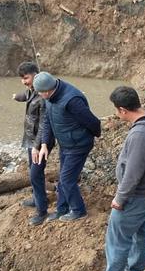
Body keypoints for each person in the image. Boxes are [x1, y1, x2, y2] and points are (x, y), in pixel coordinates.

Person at [100, 86, 145, 271]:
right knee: (140, 230)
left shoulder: (140, 134)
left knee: (117, 241)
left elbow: (133, 173)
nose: (115, 114)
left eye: (115, 110)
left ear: (123, 110)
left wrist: (120, 198)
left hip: (136, 196)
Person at [34, 72, 101, 222]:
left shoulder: (72, 100)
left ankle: (78, 210)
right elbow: (47, 120)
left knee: (66, 179)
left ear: (47, 90)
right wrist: (44, 144)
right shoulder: (50, 97)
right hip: (65, 144)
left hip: (78, 145)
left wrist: (90, 137)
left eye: (39, 92)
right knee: (63, 178)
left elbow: (93, 122)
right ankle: (61, 209)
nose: (38, 95)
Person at [13, 62, 49, 225]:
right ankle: (36, 198)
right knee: (33, 171)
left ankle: (42, 211)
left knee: (35, 174)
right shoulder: (32, 91)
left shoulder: (43, 96)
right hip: (29, 140)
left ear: (36, 74)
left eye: (26, 78)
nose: (24, 81)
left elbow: (43, 124)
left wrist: (37, 146)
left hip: (39, 143)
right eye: (22, 79)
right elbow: (26, 95)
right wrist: (16, 97)